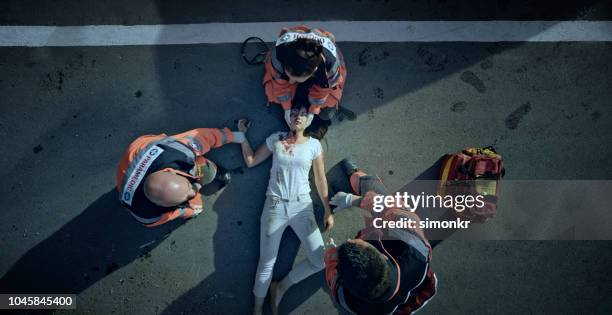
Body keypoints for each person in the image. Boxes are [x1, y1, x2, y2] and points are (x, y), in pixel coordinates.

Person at [236, 105, 334, 315]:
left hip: (303, 208)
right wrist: (241, 136)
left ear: (308, 120)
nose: (298, 116)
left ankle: (282, 286)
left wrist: (327, 209)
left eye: (302, 114)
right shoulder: (276, 139)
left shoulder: (314, 145)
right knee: (266, 263)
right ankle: (257, 309)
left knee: (320, 261)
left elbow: (320, 178)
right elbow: (251, 161)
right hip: (275, 206)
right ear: (287, 118)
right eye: (294, 113)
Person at [326, 158, 438, 314]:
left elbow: (332, 278)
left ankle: (355, 178)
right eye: (358, 243)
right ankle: (359, 178)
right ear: (384, 257)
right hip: (415, 290)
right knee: (374, 191)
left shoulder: (348, 301)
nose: (350, 239)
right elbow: (394, 208)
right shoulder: (415, 251)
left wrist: (331, 256)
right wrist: (355, 201)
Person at [116, 127, 245, 227]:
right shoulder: (146, 215)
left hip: (143, 147)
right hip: (129, 169)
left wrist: (232, 136)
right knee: (194, 208)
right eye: (187, 195)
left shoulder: (176, 150)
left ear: (172, 172)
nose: (193, 192)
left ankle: (196, 170)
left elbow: (202, 136)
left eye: (189, 186)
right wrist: (189, 211)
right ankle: (194, 210)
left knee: (201, 165)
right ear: (164, 206)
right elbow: (173, 214)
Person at [263, 25, 352, 137]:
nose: (290, 82)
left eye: (295, 79)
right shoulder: (278, 57)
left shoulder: (330, 69)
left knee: (328, 106)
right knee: (273, 95)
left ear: (314, 71)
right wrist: (286, 108)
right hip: (297, 54)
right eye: (289, 75)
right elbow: (280, 86)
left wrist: (313, 111)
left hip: (323, 73)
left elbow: (321, 92)